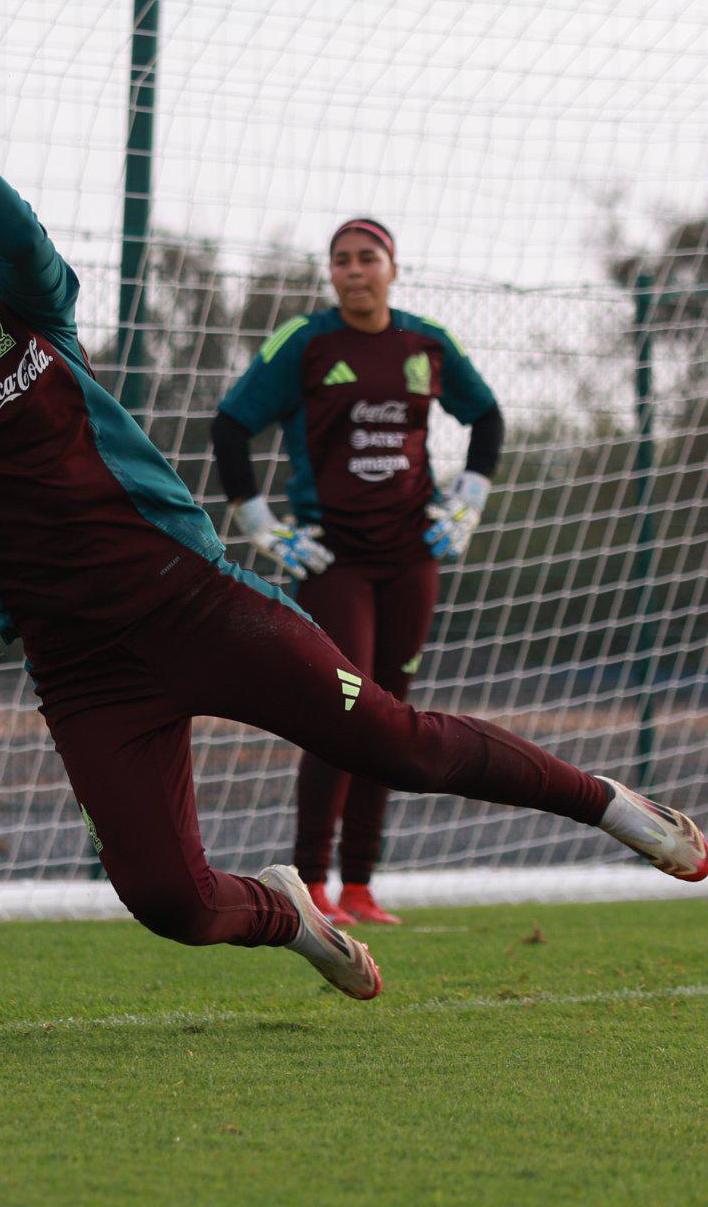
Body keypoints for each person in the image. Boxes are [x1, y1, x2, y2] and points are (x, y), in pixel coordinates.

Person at [0, 23, 708, 1003]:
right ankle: (292, 916)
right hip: (81, 668)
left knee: (395, 745)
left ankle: (613, 805)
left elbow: (22, 231)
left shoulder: (29, 309)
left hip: (198, 605)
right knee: (170, 903)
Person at [211, 218, 502, 926]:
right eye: (340, 260)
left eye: (367, 258)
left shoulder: (424, 342)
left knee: (395, 721)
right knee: (346, 709)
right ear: (331, 274)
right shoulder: (303, 342)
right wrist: (260, 523)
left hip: (412, 556)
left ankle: (362, 885)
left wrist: (466, 503)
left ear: (392, 268)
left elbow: (487, 417)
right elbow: (230, 425)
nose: (353, 271)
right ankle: (309, 881)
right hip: (333, 557)